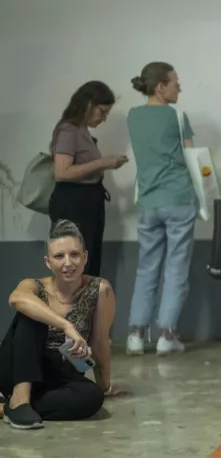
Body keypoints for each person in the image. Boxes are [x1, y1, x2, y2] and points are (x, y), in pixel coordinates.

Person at [0, 221, 122, 430]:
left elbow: (100, 341)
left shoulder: (100, 289)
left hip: (59, 373)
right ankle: (19, 398)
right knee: (33, 315)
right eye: (59, 256)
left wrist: (105, 386)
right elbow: (16, 298)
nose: (68, 263)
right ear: (48, 262)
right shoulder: (34, 286)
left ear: (85, 257)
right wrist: (67, 326)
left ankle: (8, 407)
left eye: (74, 255)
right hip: (18, 365)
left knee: (92, 397)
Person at [124, 62, 198, 356]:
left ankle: (135, 335)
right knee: (176, 267)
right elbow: (192, 157)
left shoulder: (133, 116)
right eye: (175, 82)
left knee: (146, 268)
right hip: (178, 199)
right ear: (160, 87)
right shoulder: (177, 117)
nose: (179, 87)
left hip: (149, 202)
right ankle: (167, 335)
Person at [48, 81, 129, 277]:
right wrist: (103, 163)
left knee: (89, 265)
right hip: (74, 204)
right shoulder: (69, 130)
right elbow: (62, 172)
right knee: (76, 268)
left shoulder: (82, 131)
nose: (104, 118)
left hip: (88, 202)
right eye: (102, 112)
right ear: (88, 105)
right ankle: (74, 308)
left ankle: (86, 307)